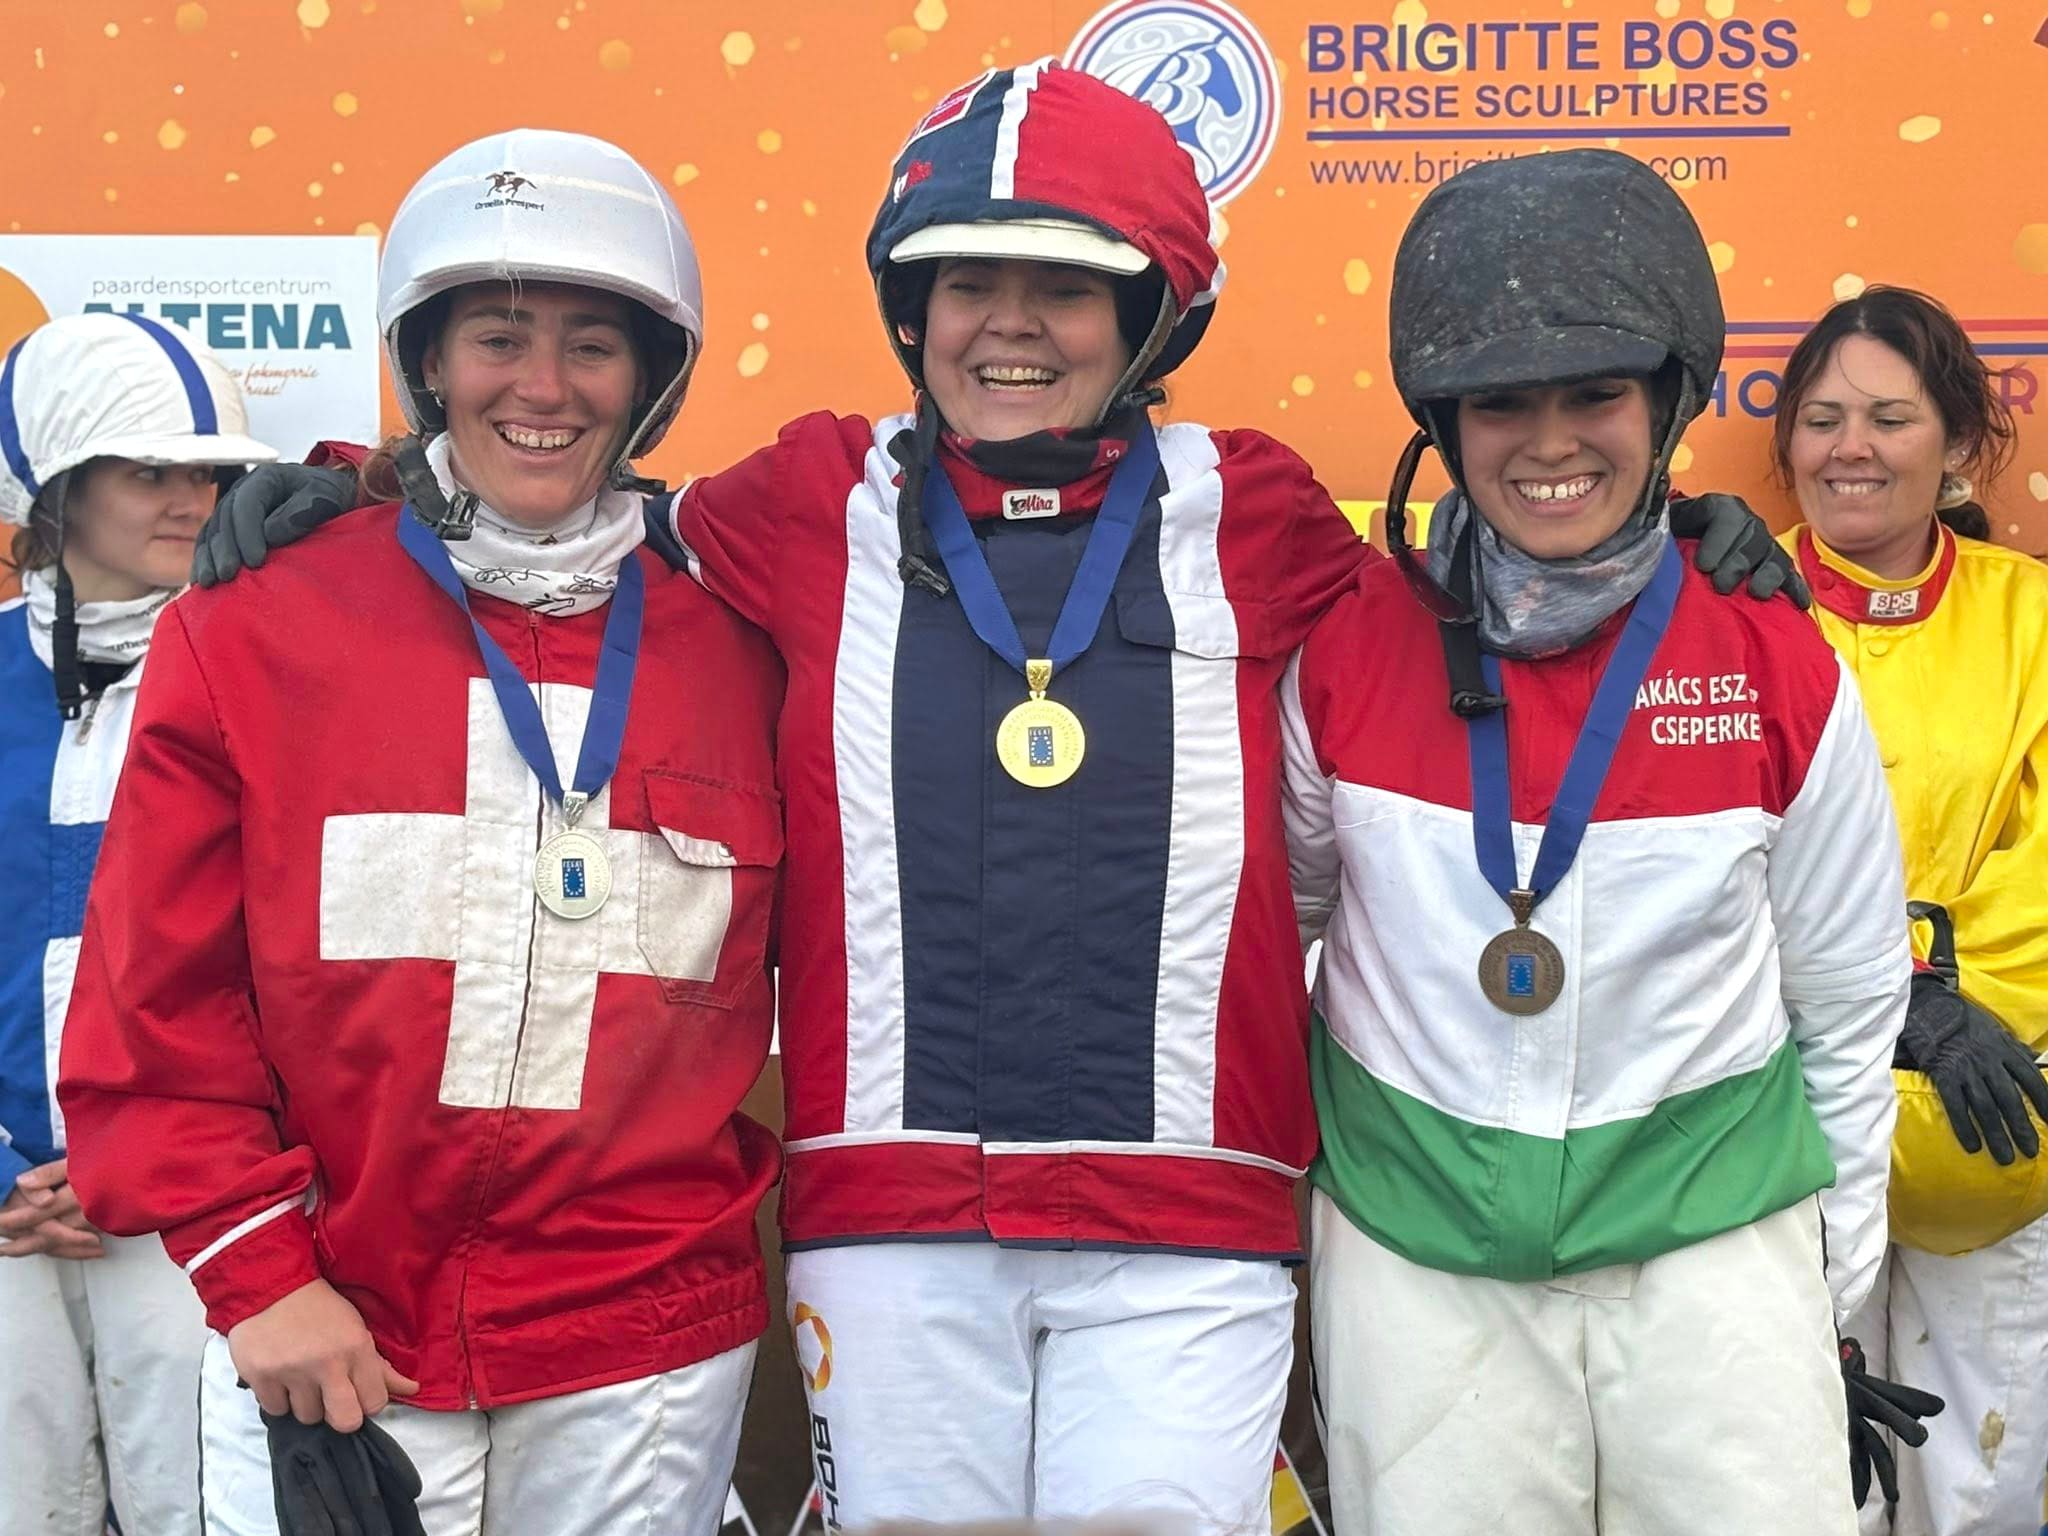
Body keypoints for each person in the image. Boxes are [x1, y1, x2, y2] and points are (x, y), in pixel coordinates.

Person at [189, 67, 1803, 1531]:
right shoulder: (808, 497)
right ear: (916, 308)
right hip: (890, 1226)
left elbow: (1470, 589)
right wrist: (356, 487)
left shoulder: (1254, 510)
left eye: (1066, 288)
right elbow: (569, 517)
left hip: (1188, 1226)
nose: (1010, 327)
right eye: (970, 283)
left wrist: (1669, 544)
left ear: (1147, 317)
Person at [56, 129, 783, 1536]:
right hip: (328, 1333)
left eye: (591, 347)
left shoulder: (754, 646)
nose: (542, 387)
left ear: (651, 380)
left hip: (640, 1350)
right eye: (498, 338)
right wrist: (257, 1277)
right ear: (429, 362)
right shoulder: (259, 624)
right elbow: (154, 1001)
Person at [1283, 150, 1928, 1535]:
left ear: (1668, 403)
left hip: (1715, 1262)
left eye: (1595, 395)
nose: (1550, 443)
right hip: (1418, 1264)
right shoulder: (1342, 645)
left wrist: (1830, 1298)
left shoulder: (1770, 655)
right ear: (1442, 421)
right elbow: (1276, 938)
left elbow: (1849, 1000)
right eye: (1500, 402)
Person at [1773, 285, 2048, 1536]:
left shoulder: (2028, 616)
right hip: (1768, 1122)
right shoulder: (1726, 607)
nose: (1851, 448)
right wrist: (1886, 1001)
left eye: (1888, 418)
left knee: (1977, 1484)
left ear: (1957, 443)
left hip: (1981, 1117)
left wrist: (1944, 1002)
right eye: (1821, 418)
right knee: (1793, 1482)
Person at [0, 312, 275, 1536]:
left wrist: (167, 1162)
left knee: (202, 1513)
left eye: (209, 474)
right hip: (13, 1221)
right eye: (149, 471)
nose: (190, 502)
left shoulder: (259, 675)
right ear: (56, 491)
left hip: (194, 1206)